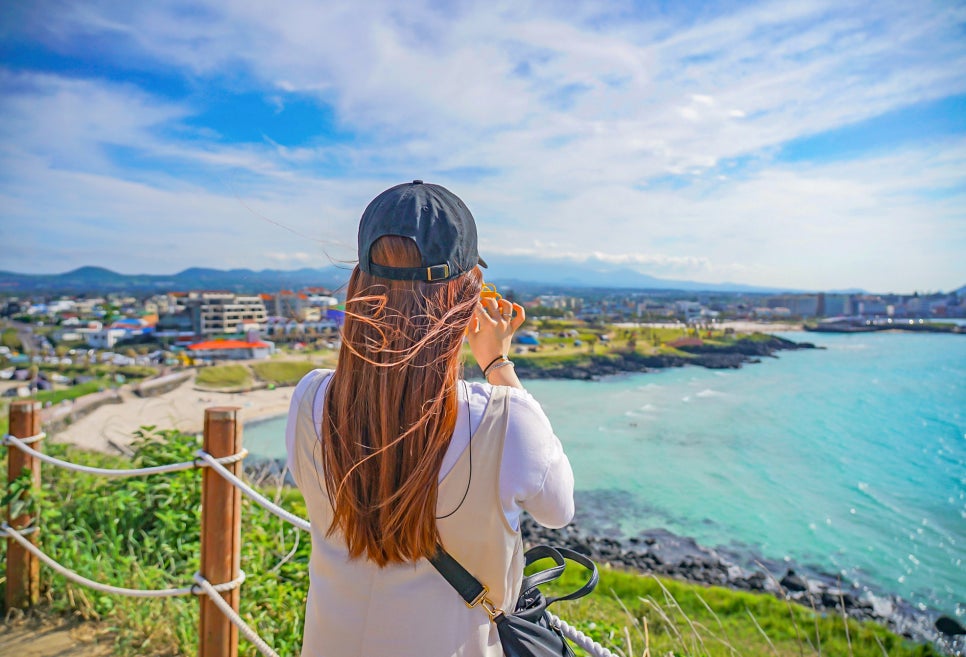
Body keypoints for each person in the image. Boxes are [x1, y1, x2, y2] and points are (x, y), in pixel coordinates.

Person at [285, 180, 574, 657]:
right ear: (466, 296)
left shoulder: (310, 397)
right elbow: (558, 510)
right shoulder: (503, 419)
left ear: (360, 285)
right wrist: (498, 365)